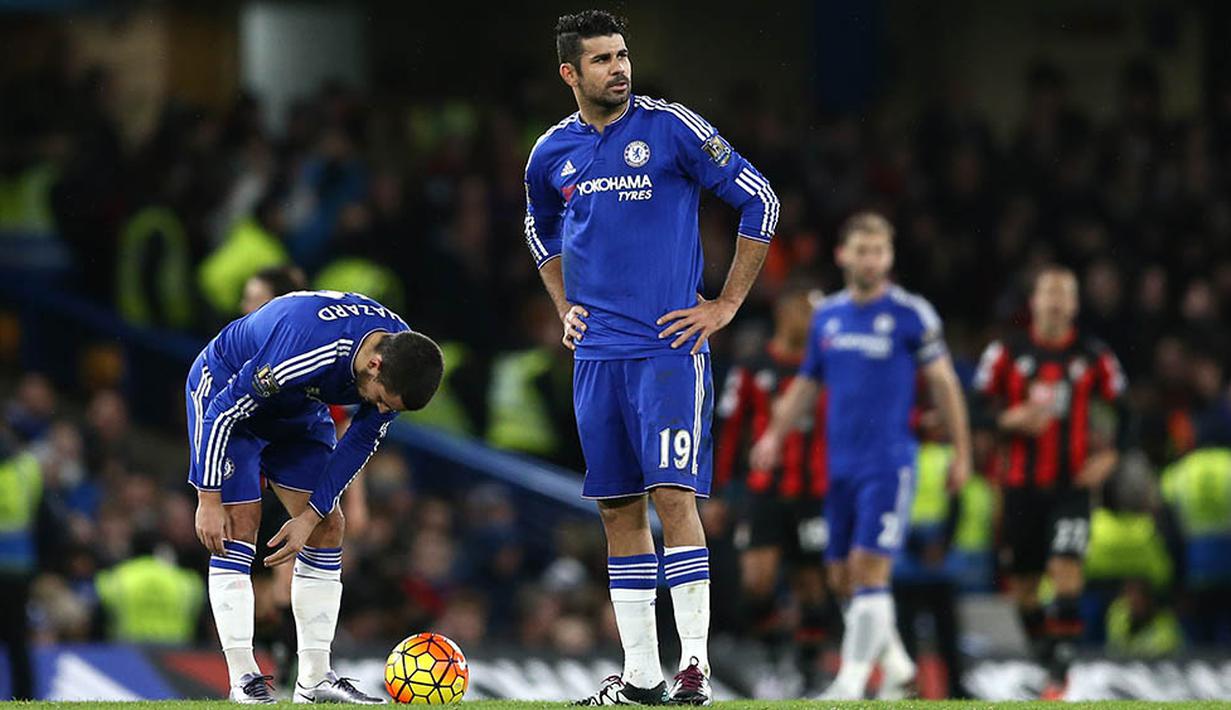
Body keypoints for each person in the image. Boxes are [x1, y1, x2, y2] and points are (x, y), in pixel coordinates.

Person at [525, 10, 777, 705]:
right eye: (602, 59)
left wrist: (726, 304)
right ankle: (640, 675)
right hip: (596, 356)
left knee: (672, 497)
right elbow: (538, 226)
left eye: (622, 55)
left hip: (668, 348)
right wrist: (562, 305)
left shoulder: (671, 128)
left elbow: (759, 200)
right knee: (616, 510)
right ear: (570, 73)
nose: (619, 69)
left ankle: (693, 667)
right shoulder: (550, 152)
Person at [750, 212, 971, 700]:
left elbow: (944, 383)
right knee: (841, 576)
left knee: (869, 569)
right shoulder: (827, 316)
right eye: (862, 250)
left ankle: (848, 684)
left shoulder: (912, 314)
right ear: (842, 255)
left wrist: (962, 452)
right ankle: (898, 669)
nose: (871, 260)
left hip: (888, 464)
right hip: (838, 466)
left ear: (889, 258)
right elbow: (808, 382)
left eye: (879, 251)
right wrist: (774, 436)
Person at [187, 289, 443, 703]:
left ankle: (315, 679)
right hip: (227, 394)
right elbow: (222, 411)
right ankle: (243, 679)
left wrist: (308, 517)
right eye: (380, 400)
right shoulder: (305, 348)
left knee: (327, 526)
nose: (381, 410)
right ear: (374, 365)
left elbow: (359, 442)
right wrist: (208, 498)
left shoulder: (402, 358)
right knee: (239, 525)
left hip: (296, 407)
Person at [973, 265, 1127, 699]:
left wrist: (1110, 456)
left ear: (1075, 305)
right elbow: (973, 409)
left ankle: (1061, 667)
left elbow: (1128, 413)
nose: (1056, 302)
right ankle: (1048, 658)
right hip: (1019, 488)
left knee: (1065, 566)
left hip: (1071, 487)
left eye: (1064, 294)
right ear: (1034, 301)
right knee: (1023, 589)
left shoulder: (1093, 356)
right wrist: (1008, 419)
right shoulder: (1007, 352)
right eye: (1049, 293)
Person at [713, 282, 833, 693]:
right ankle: (770, 656)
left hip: (813, 492)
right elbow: (730, 432)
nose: (814, 321)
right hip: (763, 490)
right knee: (756, 582)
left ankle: (809, 670)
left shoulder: (827, 368)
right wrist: (719, 492)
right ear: (785, 313)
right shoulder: (752, 368)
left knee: (812, 584)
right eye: (807, 311)